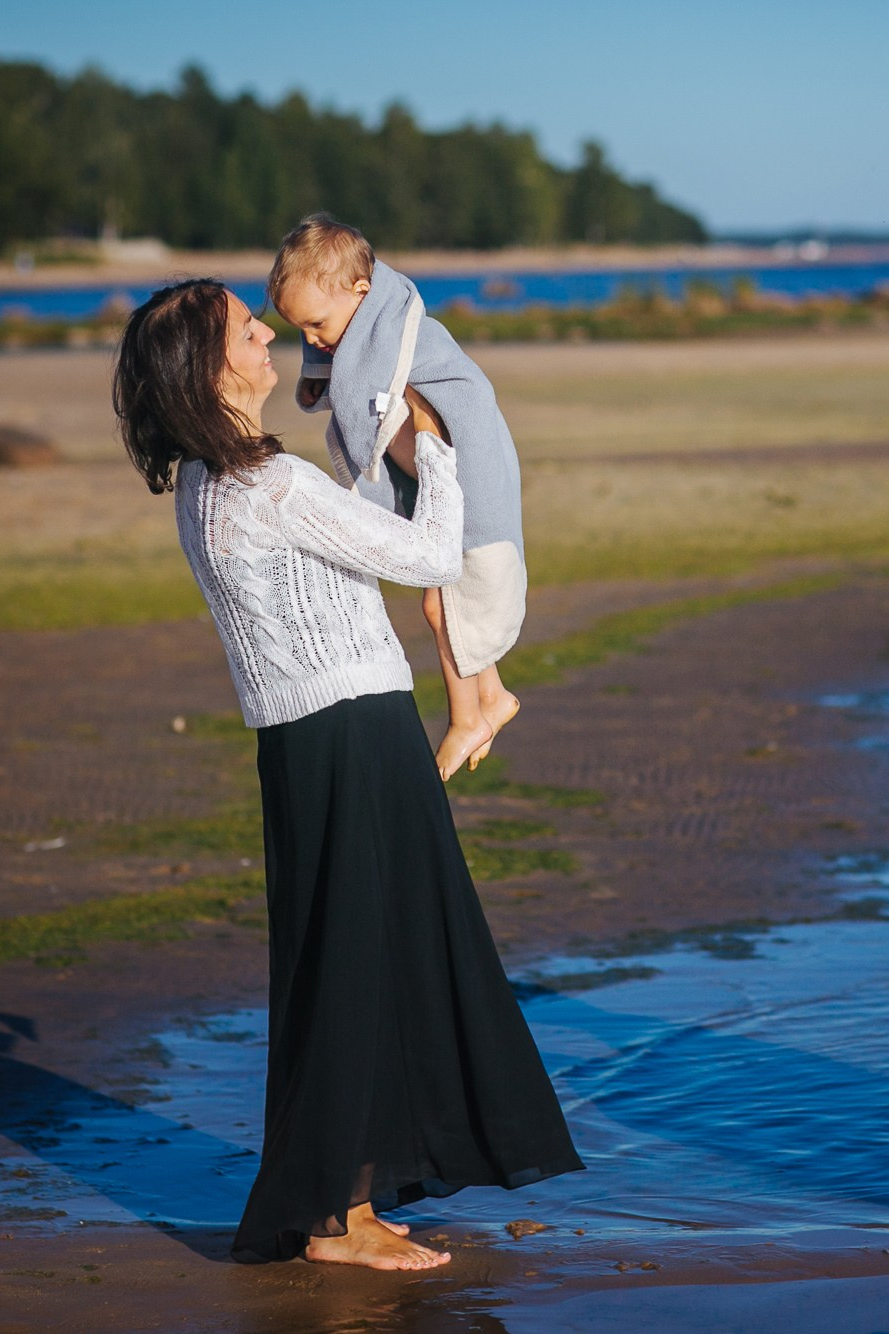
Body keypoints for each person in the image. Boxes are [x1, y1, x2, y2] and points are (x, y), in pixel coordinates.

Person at [113, 278, 583, 1270]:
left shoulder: (207, 483)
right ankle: (337, 1216)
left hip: (307, 742)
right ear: (211, 367)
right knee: (365, 969)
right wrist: (436, 442)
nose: (265, 331)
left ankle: (348, 1197)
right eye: (247, 326)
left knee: (357, 967)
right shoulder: (263, 484)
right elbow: (425, 554)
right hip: (352, 734)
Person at [269, 214, 527, 781]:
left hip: (466, 466)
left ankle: (468, 718)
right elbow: (343, 382)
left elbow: (447, 395)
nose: (313, 341)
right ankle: (494, 695)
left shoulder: (395, 332)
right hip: (431, 477)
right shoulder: (364, 330)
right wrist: (321, 363)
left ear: (360, 292)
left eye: (317, 325)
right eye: (302, 331)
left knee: (445, 604)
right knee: (443, 602)